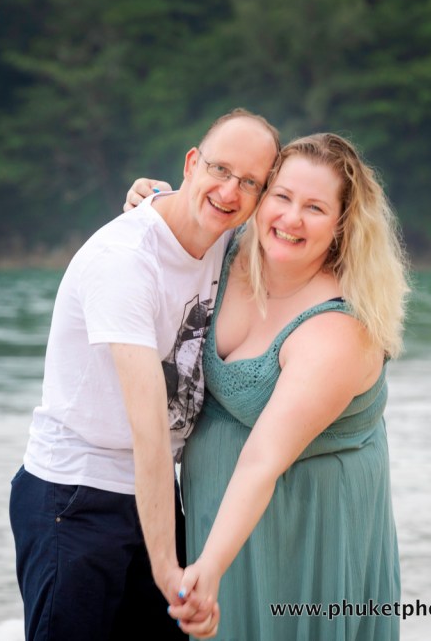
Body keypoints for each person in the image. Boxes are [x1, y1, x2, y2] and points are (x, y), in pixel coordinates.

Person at [9, 109, 280, 641]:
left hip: (150, 496)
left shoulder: (226, 245)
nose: (230, 191)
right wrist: (166, 572)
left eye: (250, 182)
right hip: (74, 497)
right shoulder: (126, 262)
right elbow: (149, 430)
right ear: (191, 162)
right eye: (221, 170)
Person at [127, 132, 409, 639]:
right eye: (281, 196)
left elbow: (262, 461)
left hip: (306, 530)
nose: (291, 219)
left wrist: (206, 571)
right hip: (219, 515)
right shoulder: (230, 251)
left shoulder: (338, 329)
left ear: (343, 224)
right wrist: (152, 201)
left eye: (315, 207)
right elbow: (188, 211)